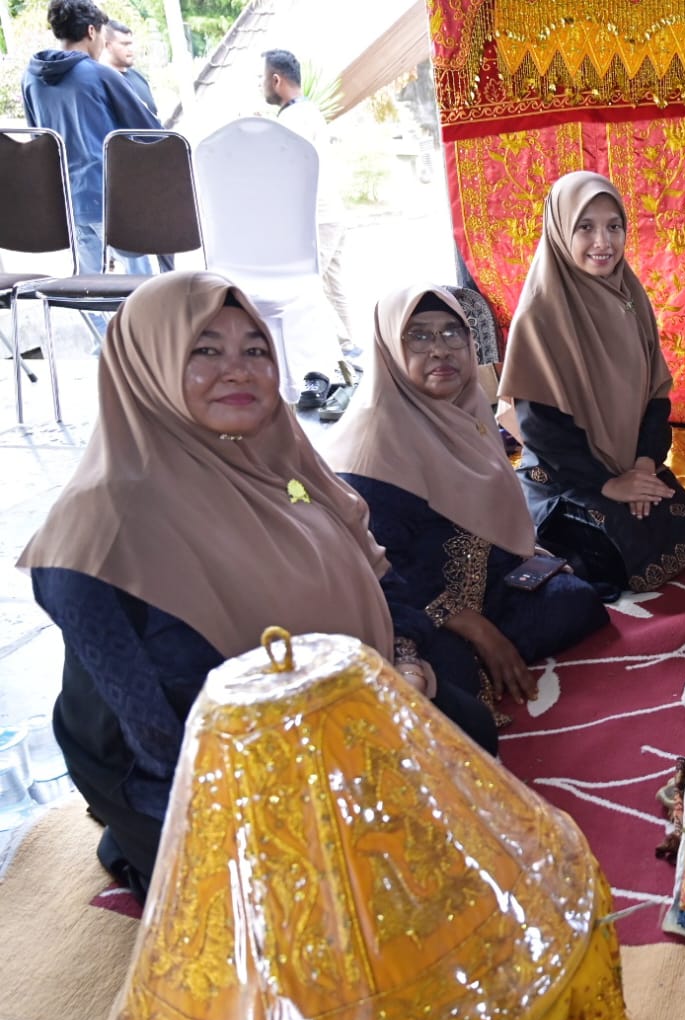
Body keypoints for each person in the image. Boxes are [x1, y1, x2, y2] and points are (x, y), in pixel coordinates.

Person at [18, 272, 497, 902]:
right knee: (318, 896)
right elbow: (159, 737)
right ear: (148, 365)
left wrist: (403, 663)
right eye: (205, 349)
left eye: (255, 349)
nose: (238, 370)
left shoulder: (278, 458)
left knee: (468, 734)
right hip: (191, 764)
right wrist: (307, 785)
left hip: (328, 705)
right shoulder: (99, 531)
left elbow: (378, 570)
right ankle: (131, 844)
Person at [325, 284, 610, 713]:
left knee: (578, 596)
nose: (440, 350)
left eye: (452, 333)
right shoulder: (372, 445)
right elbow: (382, 570)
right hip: (418, 604)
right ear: (389, 349)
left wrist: (528, 556)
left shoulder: (467, 408)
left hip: (488, 578)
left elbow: (492, 508)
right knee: (449, 677)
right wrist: (476, 628)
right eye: (419, 336)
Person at [500, 171, 685, 595]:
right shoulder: (540, 315)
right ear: (560, 230)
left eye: (614, 227)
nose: (603, 242)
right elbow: (541, 428)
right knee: (614, 549)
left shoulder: (629, 295)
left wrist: (643, 465)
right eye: (585, 227)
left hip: (627, 463)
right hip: (564, 476)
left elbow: (655, 396)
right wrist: (609, 484)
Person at [21, 0, 157, 279]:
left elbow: (38, 142)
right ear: (91, 31)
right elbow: (152, 133)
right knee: (143, 285)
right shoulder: (100, 75)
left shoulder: (30, 80)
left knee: (90, 285)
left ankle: (99, 311)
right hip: (112, 197)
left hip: (69, 201)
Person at [262, 49, 363, 368]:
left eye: (262, 79)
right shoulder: (309, 111)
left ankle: (344, 349)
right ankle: (352, 349)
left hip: (316, 216)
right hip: (331, 212)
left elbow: (288, 173)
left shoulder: (291, 120)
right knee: (332, 284)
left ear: (275, 80)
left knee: (305, 285)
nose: (261, 86)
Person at [102, 19, 156, 117]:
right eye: (125, 44)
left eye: (131, 44)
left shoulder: (138, 77)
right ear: (107, 46)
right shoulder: (103, 84)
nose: (131, 49)